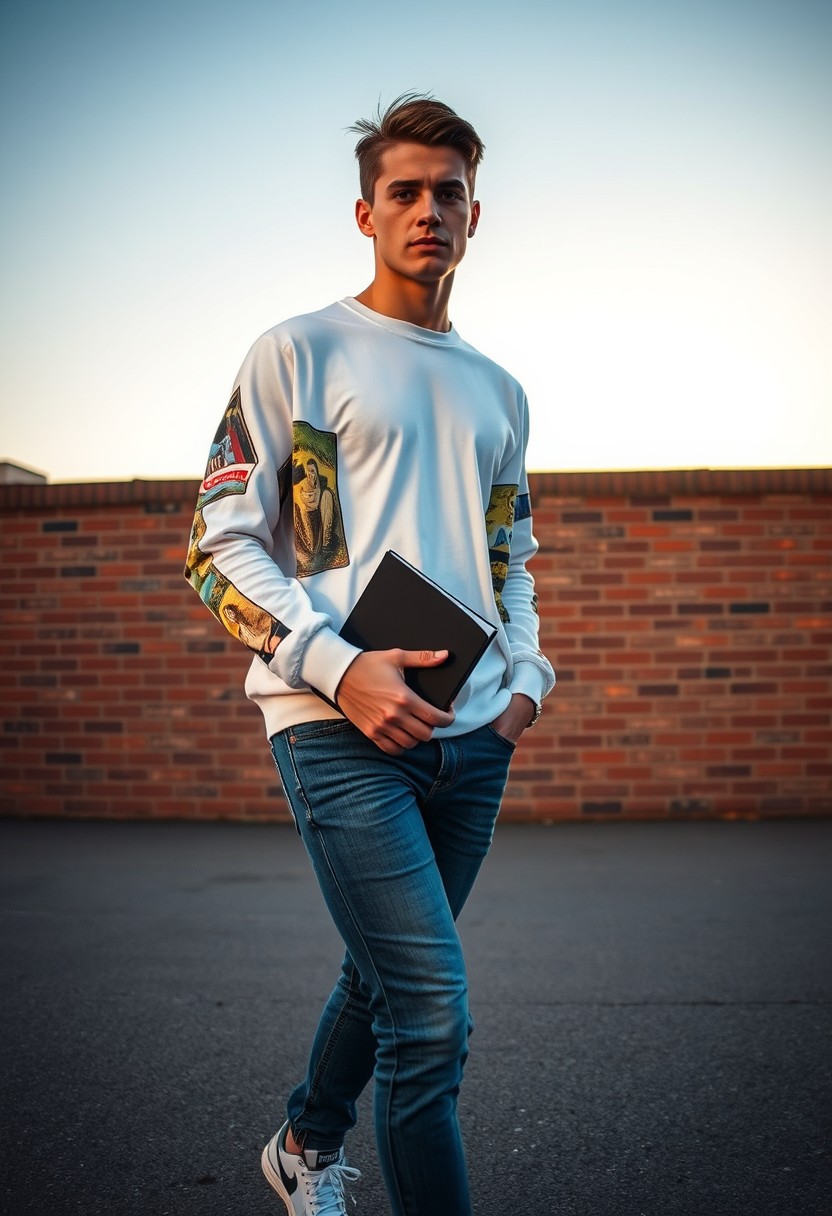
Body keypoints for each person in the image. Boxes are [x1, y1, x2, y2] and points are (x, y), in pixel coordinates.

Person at [185, 93, 555, 1216]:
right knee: (431, 1010)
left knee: (383, 974)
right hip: (335, 727)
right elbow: (213, 542)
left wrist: (526, 686)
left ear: (474, 214)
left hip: (471, 737)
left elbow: (510, 557)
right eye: (404, 191)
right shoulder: (298, 351)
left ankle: (304, 1143)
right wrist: (336, 664)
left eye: (448, 192)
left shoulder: (500, 390)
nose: (427, 210)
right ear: (365, 212)